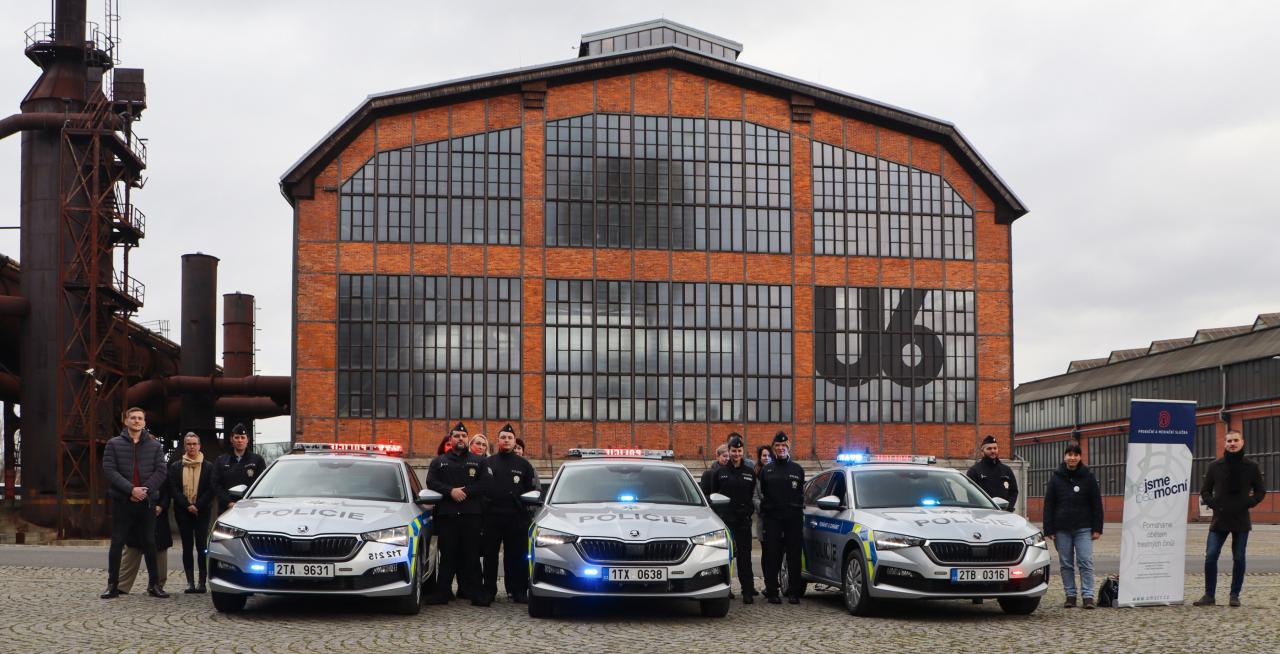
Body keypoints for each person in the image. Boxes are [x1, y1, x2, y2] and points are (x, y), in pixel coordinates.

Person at [101, 407, 168, 599]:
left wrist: (143, 491)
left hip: (146, 502)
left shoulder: (155, 446)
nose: (137, 421)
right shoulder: (113, 444)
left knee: (149, 542)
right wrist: (131, 490)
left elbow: (161, 471)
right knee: (117, 542)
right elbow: (109, 470)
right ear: (126, 421)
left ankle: (154, 585)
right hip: (123, 501)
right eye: (133, 418)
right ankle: (112, 585)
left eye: (140, 418)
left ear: (144, 422)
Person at [1194, 430, 1266, 607]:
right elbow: (1205, 491)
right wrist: (1215, 504)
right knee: (1211, 556)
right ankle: (1209, 595)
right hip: (1220, 518)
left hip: (1241, 518)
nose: (1232, 443)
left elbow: (1260, 491)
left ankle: (1234, 595)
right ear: (1225, 443)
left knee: (1239, 558)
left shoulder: (1252, 467)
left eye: (1235, 440)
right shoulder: (1214, 466)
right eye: (1229, 441)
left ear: (1242, 442)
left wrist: (1248, 503)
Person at [426, 422, 490, 606]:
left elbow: (485, 483)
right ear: (451, 439)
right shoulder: (439, 461)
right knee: (447, 556)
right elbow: (431, 482)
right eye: (456, 436)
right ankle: (442, 593)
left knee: (472, 556)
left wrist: (465, 492)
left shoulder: (479, 461)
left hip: (472, 516)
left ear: (467, 439)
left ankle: (477, 595)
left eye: (463, 436)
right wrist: (450, 491)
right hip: (448, 516)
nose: (460, 438)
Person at [482, 424, 538, 603]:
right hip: (492, 517)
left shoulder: (524, 465)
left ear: (515, 442)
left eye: (510, 438)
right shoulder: (488, 463)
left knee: (517, 556)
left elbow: (532, 491)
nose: (506, 440)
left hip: (516, 517)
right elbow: (480, 488)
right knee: (490, 556)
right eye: (503, 437)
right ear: (498, 440)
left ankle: (518, 590)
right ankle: (488, 591)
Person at [1042, 442, 1103, 608]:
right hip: (1061, 529)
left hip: (1084, 528)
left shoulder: (1088, 477)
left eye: (1076, 455)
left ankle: (1088, 596)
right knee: (1066, 564)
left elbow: (1096, 503)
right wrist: (1049, 528)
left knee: (1085, 562)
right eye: (1069, 454)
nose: (1072, 458)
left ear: (1080, 457)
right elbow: (1049, 504)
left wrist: (1097, 528)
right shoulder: (1056, 478)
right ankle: (1070, 596)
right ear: (1065, 456)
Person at [710, 434, 757, 603]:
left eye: (739, 451)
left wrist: (748, 511)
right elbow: (714, 496)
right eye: (733, 451)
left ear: (742, 452)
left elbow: (752, 495)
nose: (736, 454)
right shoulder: (719, 473)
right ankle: (724, 588)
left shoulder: (750, 473)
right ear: (729, 451)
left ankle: (747, 591)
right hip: (726, 521)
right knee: (724, 557)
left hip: (743, 521)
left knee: (745, 558)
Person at [759, 431, 805, 604]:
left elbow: (800, 493)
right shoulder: (767, 470)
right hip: (773, 518)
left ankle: (793, 591)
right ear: (774, 448)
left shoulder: (797, 469)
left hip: (793, 518)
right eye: (777, 445)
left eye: (783, 445)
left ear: (788, 447)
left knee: (793, 555)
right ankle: (772, 591)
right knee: (772, 555)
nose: (780, 448)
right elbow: (763, 492)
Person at [169, 432, 214, 593]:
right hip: (183, 511)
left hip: (202, 511)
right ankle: (190, 582)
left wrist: (198, 505)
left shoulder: (208, 466)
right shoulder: (176, 466)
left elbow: (211, 489)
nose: (192, 447)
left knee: (202, 547)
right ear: (184, 446)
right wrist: (187, 505)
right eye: (189, 444)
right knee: (187, 547)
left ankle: (202, 582)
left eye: (194, 444)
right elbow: (174, 489)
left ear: (199, 446)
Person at [119, 466, 172, 595]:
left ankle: (157, 585)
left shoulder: (163, 471)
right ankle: (121, 585)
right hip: (136, 514)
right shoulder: (133, 468)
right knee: (132, 550)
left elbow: (167, 492)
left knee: (159, 550)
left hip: (158, 517)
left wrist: (161, 506)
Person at [211, 423, 267, 515]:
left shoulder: (257, 460)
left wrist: (247, 501)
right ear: (231, 439)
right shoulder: (221, 460)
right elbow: (215, 484)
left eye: (242, 437)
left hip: (250, 508)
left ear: (247, 440)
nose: (240, 440)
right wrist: (228, 502)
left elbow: (262, 484)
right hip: (226, 509)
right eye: (236, 437)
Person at [966, 435, 1019, 511]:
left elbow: (1013, 492)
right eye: (989, 449)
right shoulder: (974, 471)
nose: (993, 451)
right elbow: (971, 495)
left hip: (1004, 513)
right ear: (982, 452)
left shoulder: (1006, 470)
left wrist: (1008, 508)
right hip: (983, 513)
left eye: (995, 448)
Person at [753, 444, 773, 543]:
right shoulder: (755, 474)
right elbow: (755, 497)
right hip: (763, 516)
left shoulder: (777, 472)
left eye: (769, 456)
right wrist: (764, 509)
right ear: (760, 457)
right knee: (765, 546)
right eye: (764, 455)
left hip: (777, 516)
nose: (767, 458)